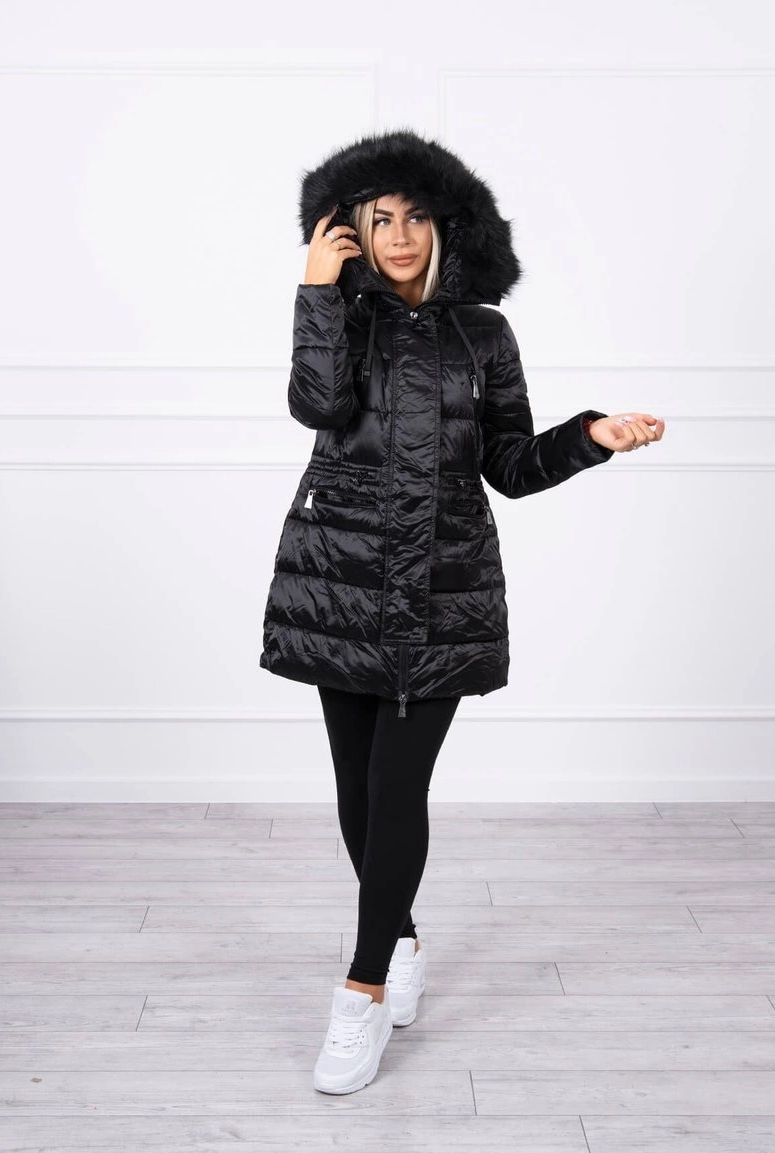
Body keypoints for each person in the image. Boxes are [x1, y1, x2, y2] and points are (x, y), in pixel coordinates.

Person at [259, 128, 665, 1095]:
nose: (399, 237)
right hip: (341, 578)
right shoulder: (339, 314)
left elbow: (510, 466)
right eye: (379, 219)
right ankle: (398, 938)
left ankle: (361, 991)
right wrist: (316, 292)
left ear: (448, 225)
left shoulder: (483, 333)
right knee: (357, 793)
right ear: (350, 230)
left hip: (443, 584)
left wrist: (590, 437)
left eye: (416, 217)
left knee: (397, 789)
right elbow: (316, 406)